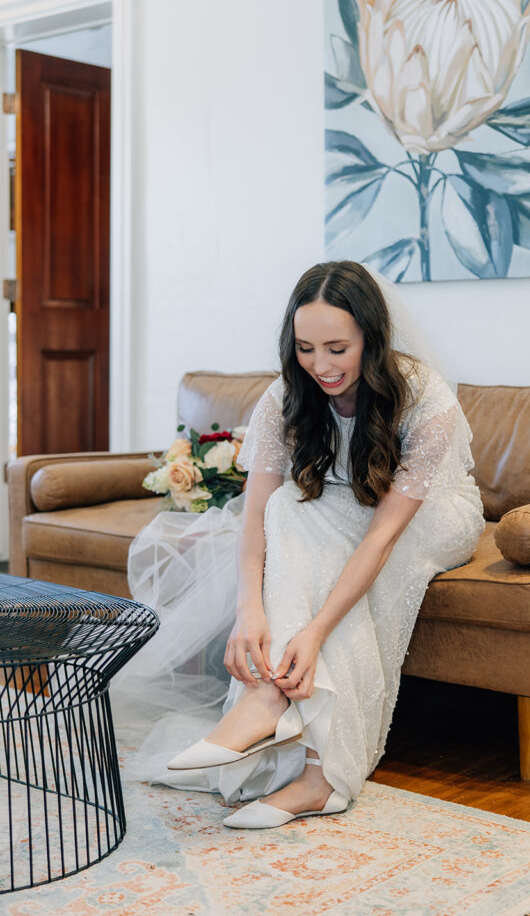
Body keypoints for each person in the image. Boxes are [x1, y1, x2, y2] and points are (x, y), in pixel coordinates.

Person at [110, 261, 484, 829]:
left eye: (338, 348)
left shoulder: (426, 398)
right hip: (348, 505)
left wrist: (314, 633)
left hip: (435, 515)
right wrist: (249, 610)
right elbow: (256, 512)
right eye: (306, 348)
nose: (321, 366)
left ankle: (322, 776)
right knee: (287, 506)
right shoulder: (286, 394)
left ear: (372, 339)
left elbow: (382, 534)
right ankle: (268, 701)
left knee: (371, 553)